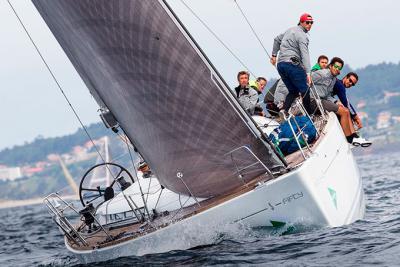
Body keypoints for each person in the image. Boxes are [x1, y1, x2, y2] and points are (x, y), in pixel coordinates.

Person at [270, 13, 314, 118]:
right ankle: (309, 116)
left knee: (293, 91)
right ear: (301, 22)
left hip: (281, 65)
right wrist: (308, 73)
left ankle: (284, 110)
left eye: (311, 23)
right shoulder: (303, 36)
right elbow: (305, 54)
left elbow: (276, 39)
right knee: (305, 90)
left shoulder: (289, 30)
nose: (309, 25)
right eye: (307, 22)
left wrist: (274, 55)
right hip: (292, 65)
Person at [332, 72, 371, 146]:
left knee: (345, 110)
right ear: (345, 77)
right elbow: (346, 103)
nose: (350, 84)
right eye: (350, 80)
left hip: (327, 100)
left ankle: (354, 137)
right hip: (322, 102)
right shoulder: (340, 85)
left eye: (352, 84)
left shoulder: (340, 85)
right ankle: (351, 137)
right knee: (346, 111)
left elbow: (346, 103)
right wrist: (356, 118)